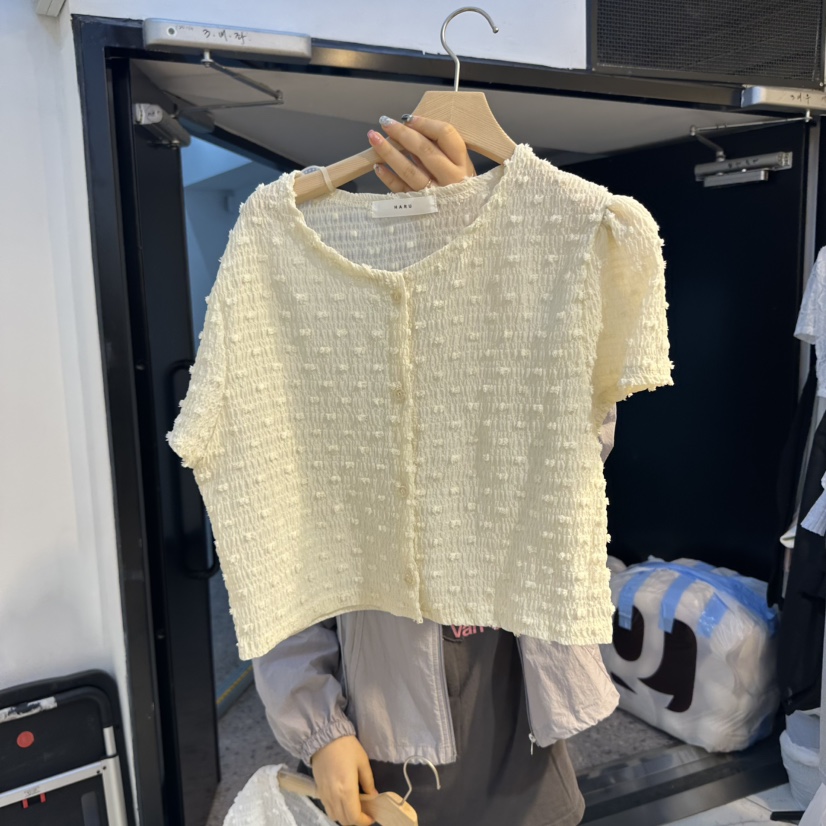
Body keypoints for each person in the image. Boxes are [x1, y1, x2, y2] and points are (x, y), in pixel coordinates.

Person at [252, 115, 621, 826]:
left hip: (521, 704)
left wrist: (495, 269)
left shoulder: (529, 295)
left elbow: (581, 449)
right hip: (383, 723)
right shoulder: (322, 332)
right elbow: (274, 549)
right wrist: (316, 723)